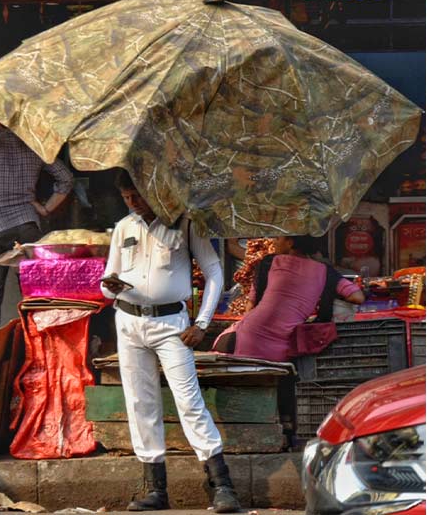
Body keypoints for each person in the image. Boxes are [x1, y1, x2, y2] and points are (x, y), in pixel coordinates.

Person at [100, 171, 238, 513]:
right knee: (140, 403)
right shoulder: (123, 228)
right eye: (127, 197)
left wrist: (202, 323)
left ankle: (221, 485)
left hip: (172, 324)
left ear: (154, 189)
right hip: (128, 320)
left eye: (138, 195)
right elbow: (106, 283)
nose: (134, 202)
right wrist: (110, 286)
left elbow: (214, 272)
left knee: (189, 401)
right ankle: (154, 489)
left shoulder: (186, 223)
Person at [0, 125, 73, 365]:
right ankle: (38, 345)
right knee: (33, 290)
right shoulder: (35, 148)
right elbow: (66, 178)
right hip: (27, 224)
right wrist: (46, 208)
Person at [215, 235, 365, 362]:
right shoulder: (325, 271)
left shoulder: (269, 262)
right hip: (278, 351)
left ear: (290, 243)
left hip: (242, 338)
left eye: (278, 238)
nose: (273, 241)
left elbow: (250, 306)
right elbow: (357, 297)